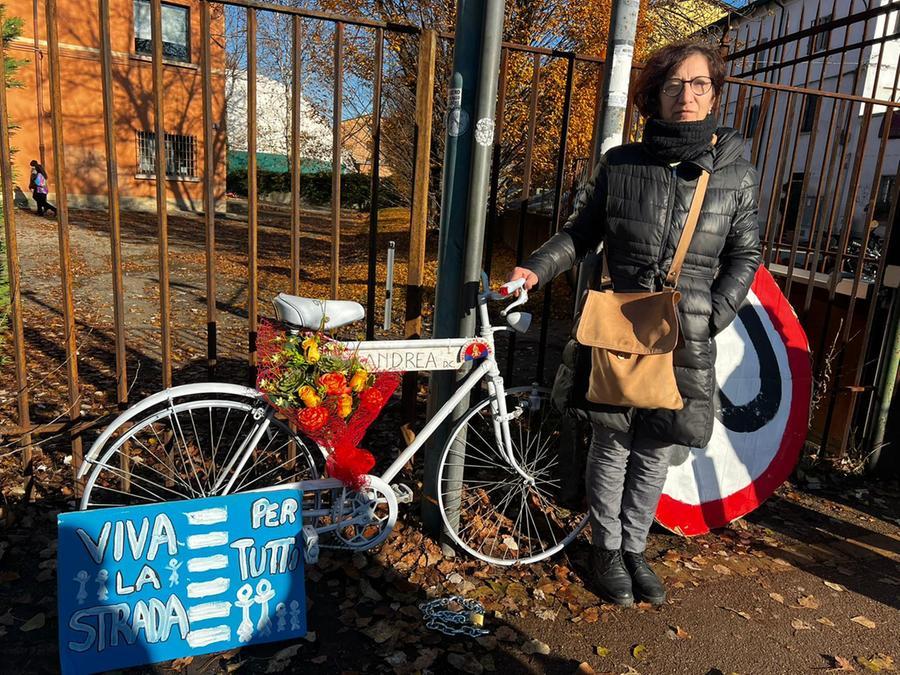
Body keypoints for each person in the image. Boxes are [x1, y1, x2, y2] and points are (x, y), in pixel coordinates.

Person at [508, 42, 761, 607]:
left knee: (656, 444)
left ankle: (635, 549)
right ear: (655, 96)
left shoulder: (737, 176)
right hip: (620, 325)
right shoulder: (621, 164)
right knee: (613, 440)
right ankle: (605, 548)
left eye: (699, 85)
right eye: (674, 85)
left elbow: (745, 256)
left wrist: (711, 313)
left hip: (686, 332)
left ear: (715, 93)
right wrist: (535, 268)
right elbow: (581, 233)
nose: (686, 96)